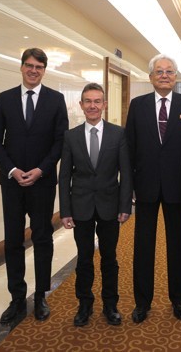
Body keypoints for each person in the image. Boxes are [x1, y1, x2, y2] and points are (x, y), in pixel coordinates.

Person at [0, 48, 69, 324]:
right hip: (11, 183)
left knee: (43, 238)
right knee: (13, 240)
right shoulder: (5, 99)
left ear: (44, 70)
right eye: (29, 66)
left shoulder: (56, 100)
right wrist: (11, 169)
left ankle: (41, 296)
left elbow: (60, 141)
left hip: (42, 183)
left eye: (39, 67)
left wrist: (41, 169)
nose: (34, 71)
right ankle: (17, 298)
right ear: (21, 67)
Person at [125, 54, 181, 323]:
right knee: (143, 246)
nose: (165, 75)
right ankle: (142, 302)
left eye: (170, 71)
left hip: (178, 189)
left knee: (178, 245)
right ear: (150, 77)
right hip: (144, 188)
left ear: (176, 76)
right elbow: (129, 149)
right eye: (159, 71)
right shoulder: (137, 105)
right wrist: (129, 187)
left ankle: (178, 299)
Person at [58, 83, 132, 326]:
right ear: (81, 105)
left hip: (110, 206)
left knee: (109, 258)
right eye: (88, 101)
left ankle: (110, 305)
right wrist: (65, 210)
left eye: (97, 101)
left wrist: (125, 205)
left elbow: (126, 173)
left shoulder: (118, 134)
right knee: (84, 258)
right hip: (81, 207)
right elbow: (65, 175)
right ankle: (84, 305)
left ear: (104, 104)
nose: (92, 105)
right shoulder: (70, 136)